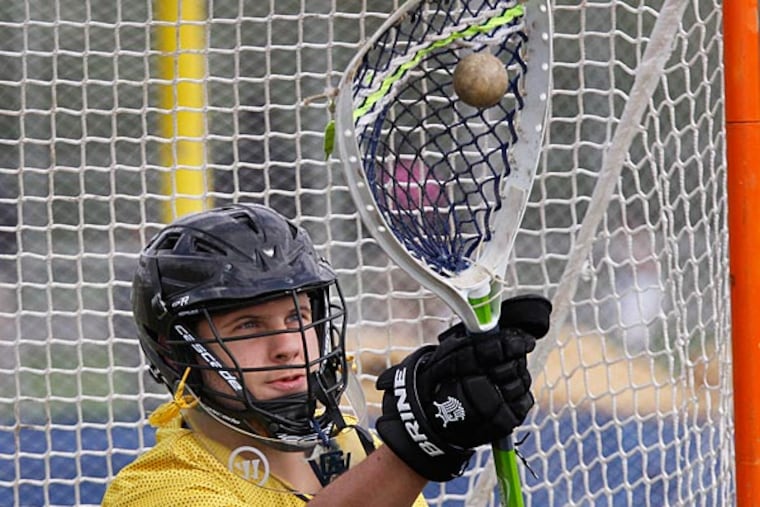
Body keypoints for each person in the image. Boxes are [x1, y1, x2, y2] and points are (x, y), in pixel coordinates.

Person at [101, 203, 551, 506]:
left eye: (297, 319)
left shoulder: (347, 443)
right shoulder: (155, 490)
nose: (287, 347)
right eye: (248, 327)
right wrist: (416, 447)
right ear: (179, 353)